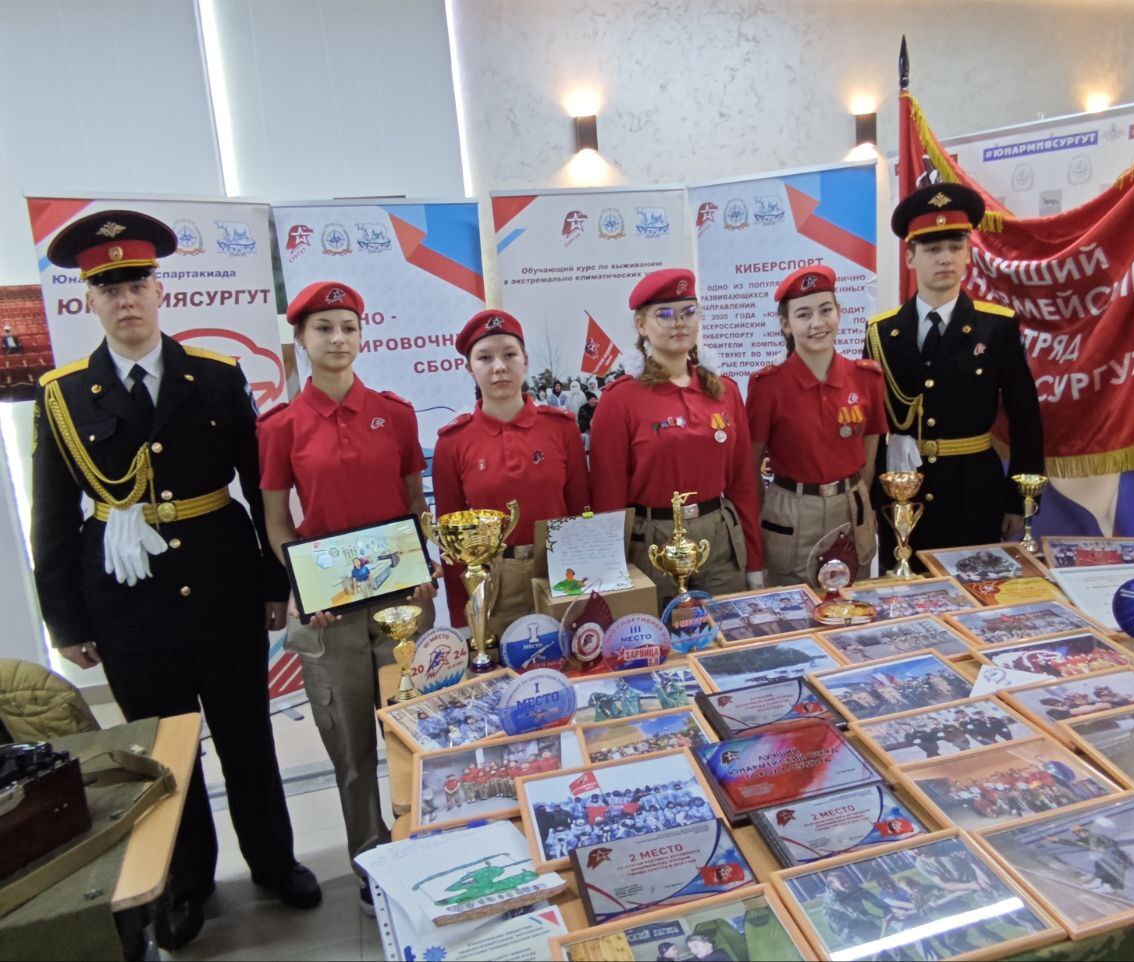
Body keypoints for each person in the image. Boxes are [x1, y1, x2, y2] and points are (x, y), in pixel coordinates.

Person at [31, 210, 319, 949]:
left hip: (223, 585)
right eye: (109, 289)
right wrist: (67, 621)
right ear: (89, 301)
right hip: (127, 601)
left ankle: (274, 862)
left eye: (137, 284)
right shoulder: (63, 395)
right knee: (164, 750)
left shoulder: (217, 377)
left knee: (247, 734)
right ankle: (187, 883)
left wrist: (273, 583)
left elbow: (260, 490)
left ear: (160, 291)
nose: (125, 300)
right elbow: (52, 517)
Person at [258, 280, 438, 914]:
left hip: (402, 601)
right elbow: (277, 522)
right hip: (330, 611)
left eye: (349, 327)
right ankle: (371, 857)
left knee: (417, 730)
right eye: (324, 328)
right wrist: (305, 589)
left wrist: (423, 564)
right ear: (300, 338)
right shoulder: (281, 427)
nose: (338, 339)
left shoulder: (396, 414)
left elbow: (414, 504)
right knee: (351, 746)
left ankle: (428, 837)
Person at [865, 182, 1044, 570]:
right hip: (903, 493)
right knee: (905, 590)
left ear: (968, 254)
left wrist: (1018, 499)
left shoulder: (996, 327)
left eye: (955, 247)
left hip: (974, 492)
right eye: (932, 249)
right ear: (910, 257)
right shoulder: (881, 332)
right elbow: (874, 428)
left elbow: (1025, 416)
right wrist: (872, 498)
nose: (945, 258)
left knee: (976, 588)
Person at [590, 268, 764, 605]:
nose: (679, 323)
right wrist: (611, 575)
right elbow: (608, 498)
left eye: (688, 312)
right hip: (652, 545)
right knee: (658, 634)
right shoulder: (620, 399)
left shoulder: (725, 391)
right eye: (665, 314)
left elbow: (743, 483)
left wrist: (755, 562)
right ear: (641, 325)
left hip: (719, 539)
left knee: (726, 630)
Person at [432, 309, 590, 643]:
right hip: (494, 583)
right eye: (484, 358)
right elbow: (452, 546)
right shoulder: (452, 442)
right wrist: (464, 616)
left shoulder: (561, 427)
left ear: (525, 361)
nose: (499, 367)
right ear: (469, 368)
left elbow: (581, 512)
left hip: (561, 574)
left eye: (509, 354)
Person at [748, 265, 887, 584]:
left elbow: (870, 445)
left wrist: (858, 496)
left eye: (826, 310)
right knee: (792, 604)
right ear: (786, 324)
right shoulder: (768, 387)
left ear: (839, 312)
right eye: (803, 314)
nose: (817, 323)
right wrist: (759, 516)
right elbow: (750, 463)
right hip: (791, 512)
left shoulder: (866, 377)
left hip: (850, 508)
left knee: (855, 601)